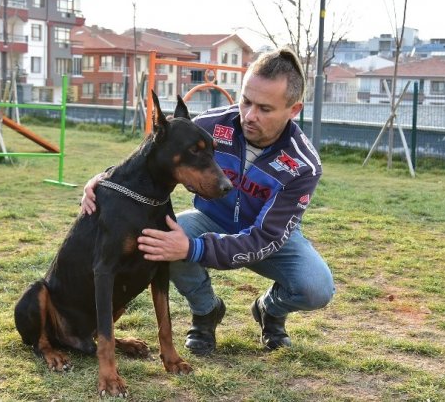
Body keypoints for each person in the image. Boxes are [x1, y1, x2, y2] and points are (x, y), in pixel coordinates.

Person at [82, 48, 335, 354]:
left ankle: (270, 309)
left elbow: (265, 237)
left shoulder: (303, 164)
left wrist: (193, 248)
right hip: (210, 221)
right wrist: (106, 178)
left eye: (265, 109)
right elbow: (152, 155)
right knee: (161, 238)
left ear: (293, 110)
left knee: (317, 288)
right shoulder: (211, 124)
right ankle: (206, 312)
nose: (250, 116)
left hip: (267, 237)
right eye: (246, 101)